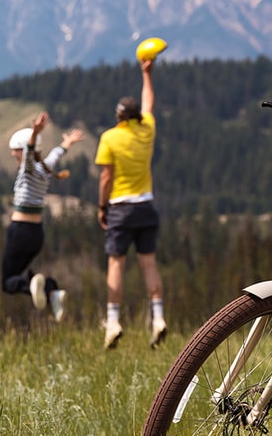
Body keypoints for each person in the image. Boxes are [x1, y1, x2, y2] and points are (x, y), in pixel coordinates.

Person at [96, 58, 166, 349]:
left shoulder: (110, 138)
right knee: (149, 264)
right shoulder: (146, 130)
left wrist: (102, 207)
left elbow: (105, 177)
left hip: (121, 209)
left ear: (119, 116)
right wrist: (147, 74)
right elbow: (148, 103)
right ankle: (159, 317)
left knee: (116, 264)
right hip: (146, 207)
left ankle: (112, 322)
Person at [2, 111, 84, 323]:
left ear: (23, 151)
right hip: (37, 234)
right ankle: (51, 291)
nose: (14, 156)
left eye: (15, 152)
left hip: (19, 230)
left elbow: (29, 155)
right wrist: (68, 143)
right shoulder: (45, 169)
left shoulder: (27, 170)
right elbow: (56, 154)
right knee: (19, 273)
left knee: (7, 282)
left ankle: (33, 286)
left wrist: (35, 133)